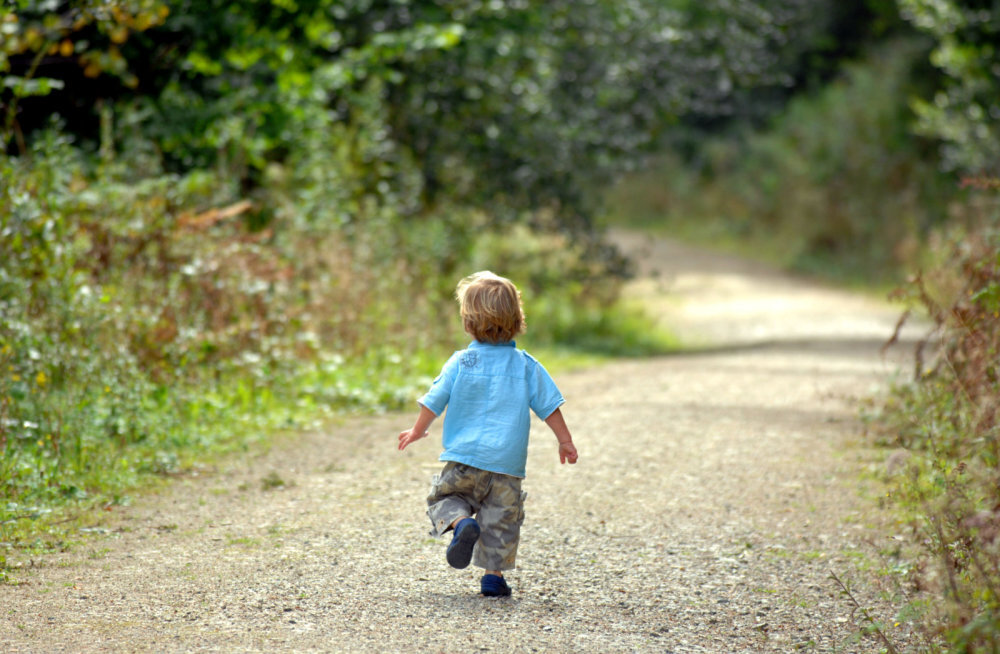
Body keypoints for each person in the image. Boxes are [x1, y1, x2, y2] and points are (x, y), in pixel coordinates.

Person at [397, 271, 578, 597]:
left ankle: (460, 524)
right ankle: (492, 577)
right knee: (501, 521)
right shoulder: (526, 365)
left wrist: (418, 430)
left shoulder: (460, 362)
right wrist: (564, 440)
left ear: (468, 323)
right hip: (506, 465)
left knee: (446, 500)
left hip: (464, 458)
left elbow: (434, 399)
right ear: (517, 320)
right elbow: (549, 406)